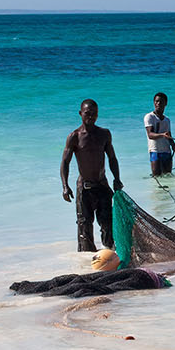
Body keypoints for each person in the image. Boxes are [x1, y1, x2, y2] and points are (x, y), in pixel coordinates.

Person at [60, 98, 123, 252]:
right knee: (84, 227)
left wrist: (117, 179)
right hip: (85, 188)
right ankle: (87, 264)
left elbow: (112, 158)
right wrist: (65, 186)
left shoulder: (104, 134)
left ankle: (108, 256)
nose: (91, 117)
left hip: (102, 185)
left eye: (94, 114)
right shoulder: (74, 136)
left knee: (108, 224)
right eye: (87, 113)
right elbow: (65, 162)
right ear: (80, 114)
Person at [144, 92, 174, 176]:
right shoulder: (149, 117)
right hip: (155, 151)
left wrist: (173, 144)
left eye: (161, 101)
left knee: (168, 176)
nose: (158, 103)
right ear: (154, 102)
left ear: (166, 103)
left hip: (167, 151)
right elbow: (150, 135)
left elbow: (169, 135)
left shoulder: (167, 120)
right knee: (156, 176)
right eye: (156, 101)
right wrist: (163, 135)